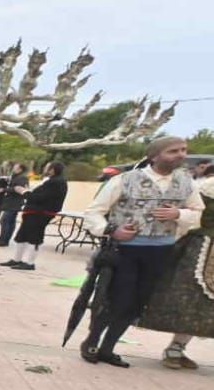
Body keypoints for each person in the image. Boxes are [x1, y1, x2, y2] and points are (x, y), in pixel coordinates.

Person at [79, 137, 203, 367]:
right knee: (115, 298)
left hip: (161, 251)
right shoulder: (125, 180)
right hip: (125, 250)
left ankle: (108, 348)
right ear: (154, 156)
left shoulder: (187, 183)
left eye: (183, 150)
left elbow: (197, 213)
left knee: (137, 302)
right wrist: (111, 230)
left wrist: (179, 215)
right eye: (173, 151)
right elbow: (94, 211)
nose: (181, 155)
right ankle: (92, 342)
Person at [141, 166, 214, 369]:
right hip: (202, 248)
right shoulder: (208, 187)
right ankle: (176, 348)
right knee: (193, 301)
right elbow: (192, 214)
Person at [3, 162, 67, 271]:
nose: (45, 168)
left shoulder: (55, 182)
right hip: (33, 212)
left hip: (41, 213)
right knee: (22, 235)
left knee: (34, 237)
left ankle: (30, 262)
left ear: (53, 169)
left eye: (48, 167)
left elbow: (40, 197)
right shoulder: (52, 181)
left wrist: (24, 192)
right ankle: (17, 259)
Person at [0, 164, 26, 247]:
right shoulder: (15, 176)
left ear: (20, 169)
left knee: (5, 220)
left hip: (14, 203)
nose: (13, 168)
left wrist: (5, 189)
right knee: (9, 221)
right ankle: (5, 240)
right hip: (10, 202)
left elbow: (19, 188)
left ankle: (2, 240)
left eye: (15, 167)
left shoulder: (22, 178)